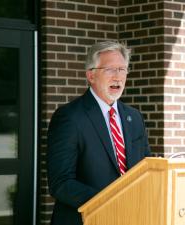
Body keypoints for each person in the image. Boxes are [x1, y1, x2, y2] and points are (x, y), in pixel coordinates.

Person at [46, 41, 151, 225]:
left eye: (122, 69)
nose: (118, 77)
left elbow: (146, 169)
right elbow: (60, 183)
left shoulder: (134, 117)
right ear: (91, 75)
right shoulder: (69, 117)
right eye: (110, 70)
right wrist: (109, 202)